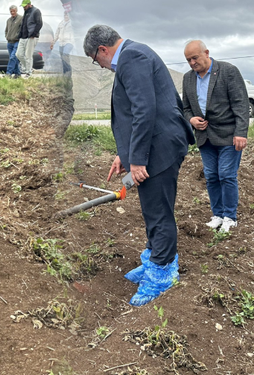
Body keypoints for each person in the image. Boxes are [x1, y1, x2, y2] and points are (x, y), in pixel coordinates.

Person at [83, 25, 195, 306]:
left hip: (159, 148)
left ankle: (162, 273)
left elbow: (145, 110)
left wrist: (137, 160)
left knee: (158, 211)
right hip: (156, 145)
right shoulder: (136, 53)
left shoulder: (132, 57)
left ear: (102, 50)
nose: (102, 66)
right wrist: (125, 153)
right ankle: (154, 259)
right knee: (152, 207)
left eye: (97, 62)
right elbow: (137, 110)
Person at [182, 40, 249, 233]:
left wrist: (240, 133)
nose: (192, 63)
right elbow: (185, 108)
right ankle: (217, 215)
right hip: (205, 137)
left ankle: (230, 217)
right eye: (188, 60)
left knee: (227, 175)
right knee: (211, 177)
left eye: (195, 58)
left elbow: (241, 104)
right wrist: (191, 120)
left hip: (229, 135)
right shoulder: (188, 79)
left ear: (206, 53)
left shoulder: (228, 71)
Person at [15, 0, 42, 78]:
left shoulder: (36, 11)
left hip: (31, 37)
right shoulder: (26, 12)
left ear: (29, 4)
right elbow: (23, 25)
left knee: (28, 55)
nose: (23, 7)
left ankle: (28, 73)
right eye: (23, 6)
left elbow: (39, 23)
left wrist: (34, 34)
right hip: (23, 36)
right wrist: (19, 35)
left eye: (25, 6)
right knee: (18, 54)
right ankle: (28, 68)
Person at [4, 5, 23, 78]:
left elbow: (22, 29)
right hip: (9, 42)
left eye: (13, 11)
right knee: (14, 59)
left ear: (16, 11)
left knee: (13, 57)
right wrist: (6, 36)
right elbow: (6, 30)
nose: (12, 12)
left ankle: (8, 73)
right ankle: (18, 74)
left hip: (17, 41)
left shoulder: (21, 18)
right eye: (11, 11)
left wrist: (18, 36)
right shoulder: (8, 20)